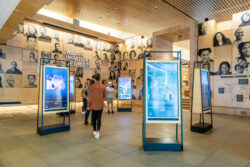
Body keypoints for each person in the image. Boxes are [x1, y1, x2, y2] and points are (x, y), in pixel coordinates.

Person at [87, 74, 107, 139]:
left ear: (94, 79)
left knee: (94, 118)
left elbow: (89, 97)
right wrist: (101, 100)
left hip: (93, 105)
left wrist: (88, 105)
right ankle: (98, 132)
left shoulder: (91, 87)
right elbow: (105, 97)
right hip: (100, 105)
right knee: (99, 119)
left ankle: (94, 130)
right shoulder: (103, 86)